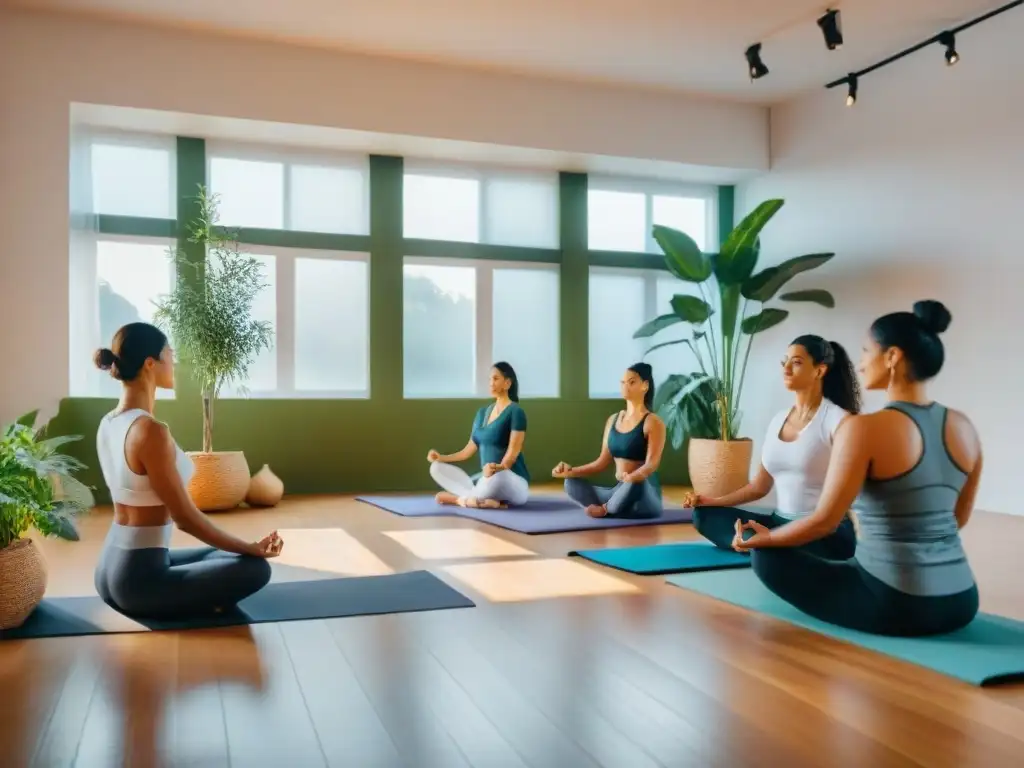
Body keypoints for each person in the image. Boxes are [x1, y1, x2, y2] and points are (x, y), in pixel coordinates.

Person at [733, 300, 981, 637]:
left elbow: (824, 522)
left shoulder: (864, 429)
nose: (861, 363)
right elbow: (958, 519)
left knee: (766, 555)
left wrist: (766, 538)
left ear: (892, 357)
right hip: (963, 600)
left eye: (867, 351)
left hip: (896, 602)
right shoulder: (964, 426)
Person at [93, 322, 281, 621]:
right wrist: (251, 548)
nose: (175, 362)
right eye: (170, 354)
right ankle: (206, 602)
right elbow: (185, 519)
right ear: (150, 363)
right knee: (256, 568)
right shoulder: (150, 431)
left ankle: (200, 595)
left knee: (227, 556)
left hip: (109, 570)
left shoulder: (109, 422)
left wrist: (244, 548)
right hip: (139, 584)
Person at [687, 335, 861, 560]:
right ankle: (761, 545)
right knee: (704, 516)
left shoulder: (839, 421)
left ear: (820, 370)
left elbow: (849, 496)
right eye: (784, 362)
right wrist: (710, 501)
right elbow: (759, 487)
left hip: (823, 532)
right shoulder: (779, 419)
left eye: (796, 362)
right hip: (779, 522)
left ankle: (763, 546)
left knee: (773, 548)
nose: (786, 369)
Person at [552, 363, 667, 518]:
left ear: (645, 386)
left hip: (642, 496)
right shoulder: (613, 419)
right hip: (618, 491)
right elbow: (601, 463)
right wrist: (570, 471)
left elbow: (651, 464)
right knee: (571, 482)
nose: (625, 386)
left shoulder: (653, 422)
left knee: (636, 481)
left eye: (632, 382)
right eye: (623, 382)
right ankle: (612, 507)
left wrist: (633, 477)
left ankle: (606, 509)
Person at [427, 362, 530, 508]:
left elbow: (513, 453)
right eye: (489, 379)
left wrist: (497, 468)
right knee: (436, 468)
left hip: (510, 479)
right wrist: (441, 458)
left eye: (495, 379)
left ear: (507, 383)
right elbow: (467, 451)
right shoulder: (482, 414)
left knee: (497, 478)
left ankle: (460, 500)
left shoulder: (516, 412)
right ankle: (485, 501)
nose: (490, 383)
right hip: (487, 479)